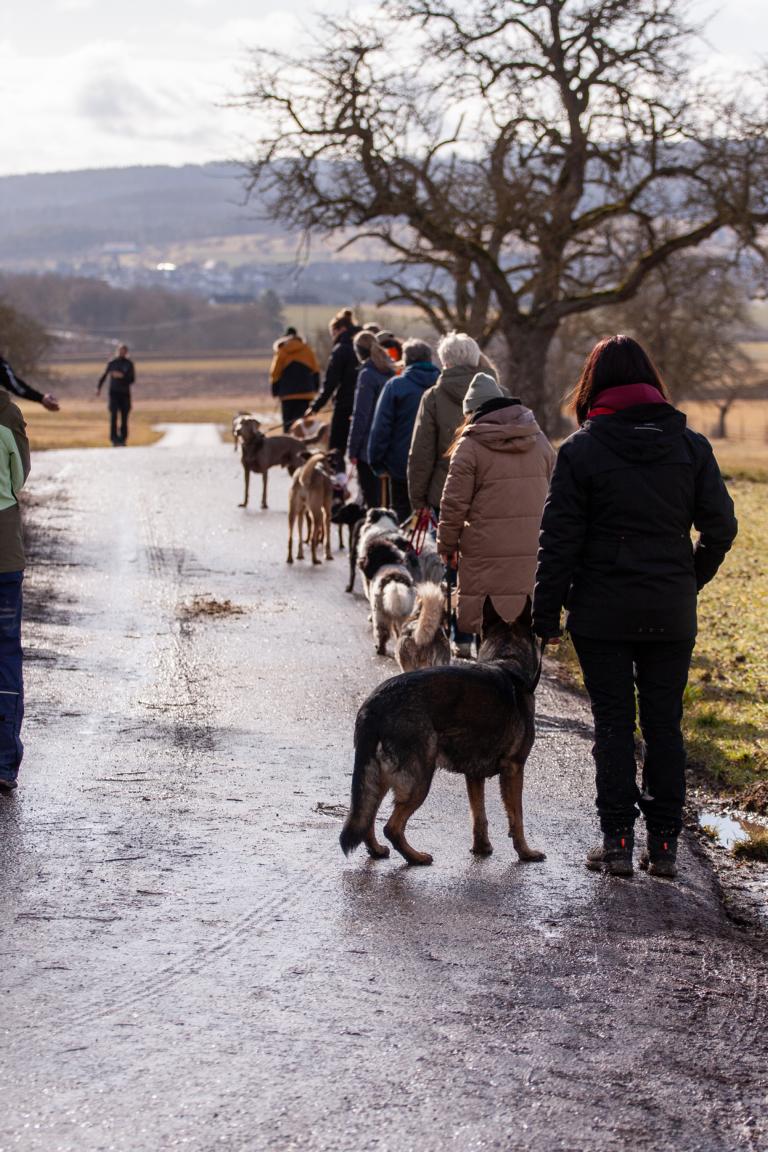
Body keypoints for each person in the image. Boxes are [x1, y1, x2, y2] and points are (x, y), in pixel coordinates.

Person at [532, 334, 738, 880]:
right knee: (665, 726)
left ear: (592, 386)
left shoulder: (581, 450)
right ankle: (665, 846)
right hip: (670, 609)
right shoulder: (691, 446)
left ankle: (618, 842)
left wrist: (545, 614)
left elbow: (559, 541)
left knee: (614, 726)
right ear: (651, 382)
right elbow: (721, 527)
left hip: (601, 611)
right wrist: (688, 580)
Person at [437, 372, 555, 654]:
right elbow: (556, 493)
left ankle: (491, 676)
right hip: (533, 550)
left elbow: (453, 503)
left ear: (472, 412)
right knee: (526, 627)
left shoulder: (470, 445)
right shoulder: (539, 440)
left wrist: (447, 545)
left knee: (490, 629)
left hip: (485, 552)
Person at [368, 339, 440, 523]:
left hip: (401, 463)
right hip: (437, 464)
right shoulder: (443, 385)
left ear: (406, 360)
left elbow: (382, 427)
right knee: (436, 518)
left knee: (401, 516)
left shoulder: (396, 386)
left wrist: (376, 461)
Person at [0, 386, 30, 792]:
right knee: (5, 652)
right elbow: (18, 478)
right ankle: (4, 762)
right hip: (4, 552)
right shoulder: (8, 415)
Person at [347, 331, 396, 507]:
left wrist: (352, 449)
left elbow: (361, 414)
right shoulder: (390, 371)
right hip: (390, 445)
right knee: (388, 502)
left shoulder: (367, 374)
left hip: (368, 447)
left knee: (373, 503)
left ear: (358, 351)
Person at [307, 309, 361, 463]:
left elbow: (330, 383)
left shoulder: (341, 350)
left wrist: (315, 407)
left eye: (333, 333)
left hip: (345, 405)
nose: (333, 337)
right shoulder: (366, 344)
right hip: (366, 404)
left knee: (336, 450)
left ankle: (336, 476)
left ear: (341, 329)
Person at [269, 326, 321, 432]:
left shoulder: (282, 351)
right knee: (301, 425)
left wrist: (275, 391)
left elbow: (274, 373)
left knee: (288, 425)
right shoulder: (307, 350)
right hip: (305, 394)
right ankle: (301, 441)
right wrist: (315, 388)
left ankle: (288, 441)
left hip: (287, 395)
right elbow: (316, 370)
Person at [96, 343, 135, 446]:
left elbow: (132, 379)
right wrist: (98, 388)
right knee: (113, 416)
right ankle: (114, 439)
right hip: (114, 393)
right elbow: (104, 376)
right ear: (117, 351)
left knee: (124, 417)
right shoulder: (112, 363)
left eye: (124, 351)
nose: (122, 352)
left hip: (125, 394)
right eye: (120, 350)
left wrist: (122, 376)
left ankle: (123, 439)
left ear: (126, 352)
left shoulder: (129, 364)